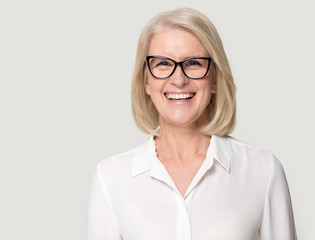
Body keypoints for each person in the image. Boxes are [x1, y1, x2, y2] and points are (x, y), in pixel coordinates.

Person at [87, 7, 297, 240]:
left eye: (194, 63)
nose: (179, 79)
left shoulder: (263, 171)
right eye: (163, 64)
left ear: (215, 78)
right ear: (145, 81)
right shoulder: (111, 178)